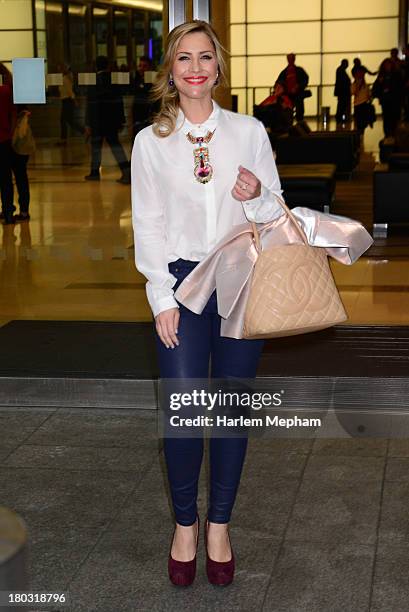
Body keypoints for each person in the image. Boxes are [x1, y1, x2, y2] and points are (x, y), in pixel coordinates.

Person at [131, 20, 283, 587]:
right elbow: (147, 223)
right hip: (180, 284)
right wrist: (159, 296)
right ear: (170, 70)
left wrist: (258, 195)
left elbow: (276, 213)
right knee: (183, 412)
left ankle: (219, 525)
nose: (195, 68)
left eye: (204, 57)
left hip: (241, 279)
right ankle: (185, 525)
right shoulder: (151, 141)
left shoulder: (249, 131)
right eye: (183, 58)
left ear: (219, 66)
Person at [84, 55, 130, 184]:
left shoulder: (94, 82)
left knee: (96, 147)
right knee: (115, 146)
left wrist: (88, 123)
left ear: (96, 66)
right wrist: (121, 120)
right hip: (111, 120)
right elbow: (118, 101)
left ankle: (94, 172)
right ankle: (126, 170)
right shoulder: (113, 80)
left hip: (97, 120)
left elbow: (90, 104)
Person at [0, 63, 31, 224]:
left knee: (6, 177)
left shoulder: (6, 91)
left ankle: (8, 209)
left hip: (7, 139)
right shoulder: (16, 91)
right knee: (20, 176)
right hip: (16, 139)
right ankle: (23, 210)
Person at [372, 58, 403, 137]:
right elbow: (375, 88)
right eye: (386, 65)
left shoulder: (397, 75)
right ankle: (388, 135)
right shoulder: (381, 76)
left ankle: (394, 135)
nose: (387, 66)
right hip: (385, 101)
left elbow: (400, 87)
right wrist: (380, 83)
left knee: (394, 118)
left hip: (395, 100)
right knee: (386, 119)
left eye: (389, 65)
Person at [276, 53, 309, 121]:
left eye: (291, 58)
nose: (290, 60)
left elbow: (305, 80)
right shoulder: (287, 72)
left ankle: (298, 120)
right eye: (289, 59)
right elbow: (278, 82)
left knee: (298, 109)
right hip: (289, 94)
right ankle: (293, 120)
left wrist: (298, 86)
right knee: (290, 109)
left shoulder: (286, 72)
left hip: (296, 94)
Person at [58, 64, 85, 145]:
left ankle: (64, 140)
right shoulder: (65, 78)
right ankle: (84, 131)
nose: (59, 70)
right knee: (68, 121)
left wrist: (74, 100)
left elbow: (70, 91)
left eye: (60, 68)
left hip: (67, 101)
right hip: (66, 101)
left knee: (65, 121)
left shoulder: (66, 78)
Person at [351, 67, 374, 135]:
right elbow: (353, 92)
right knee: (360, 123)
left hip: (362, 105)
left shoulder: (364, 84)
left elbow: (369, 94)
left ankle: (360, 135)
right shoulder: (356, 84)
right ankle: (360, 135)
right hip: (359, 105)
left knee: (362, 123)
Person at [334, 59, 351, 124]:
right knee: (341, 105)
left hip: (341, 92)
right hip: (343, 92)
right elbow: (343, 82)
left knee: (341, 105)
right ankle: (339, 117)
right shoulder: (341, 70)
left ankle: (339, 117)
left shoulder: (340, 70)